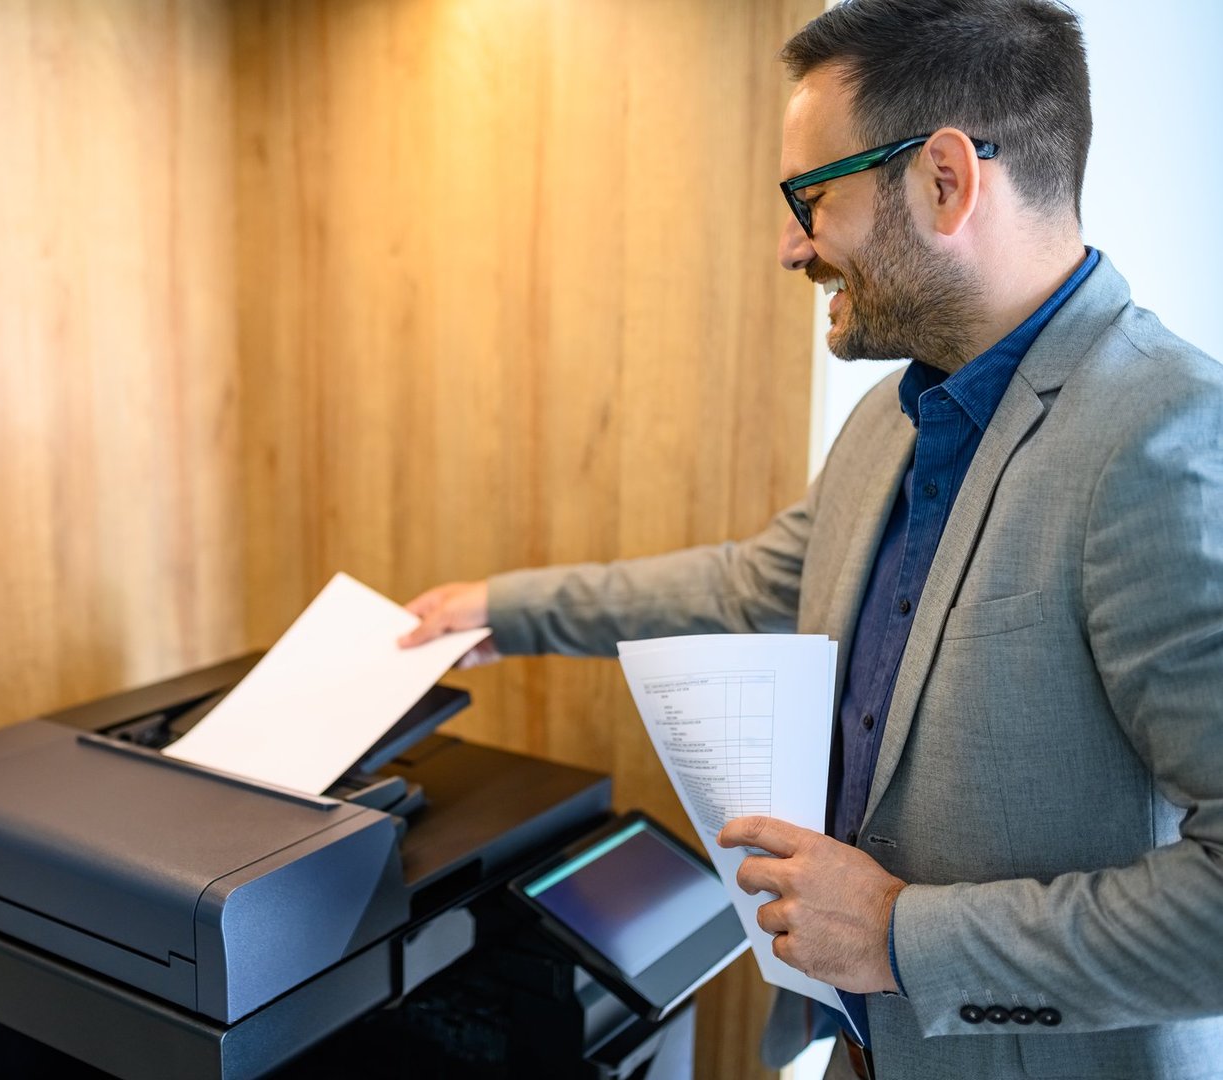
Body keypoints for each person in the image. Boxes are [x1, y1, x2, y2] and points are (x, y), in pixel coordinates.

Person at [399, 1, 1223, 1077]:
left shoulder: (1165, 436)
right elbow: (756, 585)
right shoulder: (891, 424)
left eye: (811, 197)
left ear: (943, 181)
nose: (793, 246)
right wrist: (500, 610)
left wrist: (897, 937)